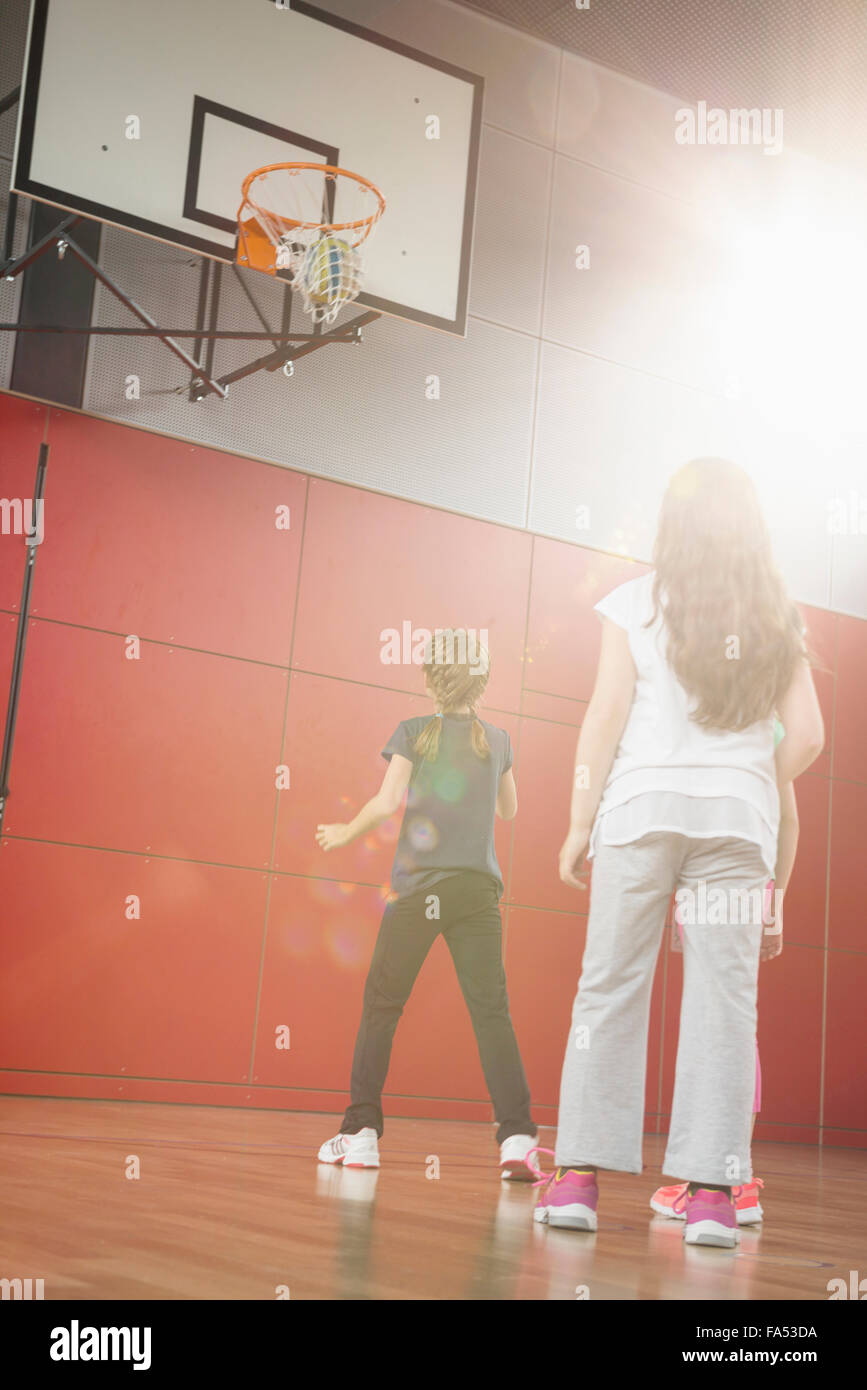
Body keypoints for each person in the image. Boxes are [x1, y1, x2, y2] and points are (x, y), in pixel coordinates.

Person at [533, 459, 824, 1246]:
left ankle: (578, 1183)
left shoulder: (632, 604)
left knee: (608, 992)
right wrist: (743, 779)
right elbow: (807, 738)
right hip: (735, 829)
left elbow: (602, 719)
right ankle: (710, 1198)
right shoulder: (777, 617)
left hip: (636, 817)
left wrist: (575, 821)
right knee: (724, 1006)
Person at [315, 629, 539, 1178]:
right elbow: (509, 811)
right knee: (492, 1012)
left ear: (431, 678)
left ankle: (360, 1133)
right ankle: (516, 1139)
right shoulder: (501, 740)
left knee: (383, 1004)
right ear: (481, 681)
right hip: (477, 895)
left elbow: (388, 802)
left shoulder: (414, 732)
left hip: (420, 893)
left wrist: (345, 832)